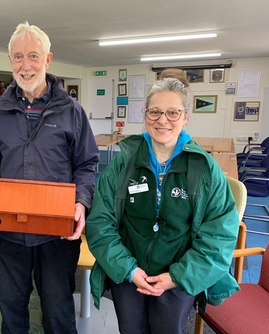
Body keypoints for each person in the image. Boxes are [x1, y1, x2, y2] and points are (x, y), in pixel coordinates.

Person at [0, 21, 99, 334]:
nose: (26, 66)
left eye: (33, 56)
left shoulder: (72, 111)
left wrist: (81, 202)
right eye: (18, 57)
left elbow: (87, 164)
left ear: (48, 60)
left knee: (58, 312)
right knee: (11, 309)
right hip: (9, 233)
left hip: (56, 233)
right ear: (10, 61)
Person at [86, 78, 240, 334]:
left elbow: (219, 236)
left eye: (173, 112)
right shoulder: (123, 164)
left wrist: (176, 277)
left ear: (185, 117)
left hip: (180, 273)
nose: (163, 120)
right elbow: (100, 223)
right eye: (155, 111)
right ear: (146, 114)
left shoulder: (205, 170)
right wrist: (129, 270)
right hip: (128, 272)